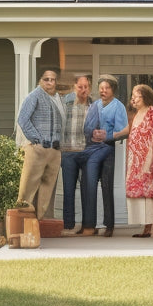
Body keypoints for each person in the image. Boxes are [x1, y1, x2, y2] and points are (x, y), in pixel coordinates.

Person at [80, 75, 129, 237]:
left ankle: (109, 225)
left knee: (107, 187)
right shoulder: (94, 105)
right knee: (88, 187)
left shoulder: (118, 106)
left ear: (113, 90)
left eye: (107, 88)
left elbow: (123, 131)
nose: (103, 90)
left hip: (107, 149)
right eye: (101, 87)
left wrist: (106, 136)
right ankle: (89, 225)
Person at [16, 68, 66, 220]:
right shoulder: (34, 96)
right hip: (38, 149)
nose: (50, 82)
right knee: (27, 189)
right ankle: (21, 224)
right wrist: (36, 139)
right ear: (40, 80)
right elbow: (23, 119)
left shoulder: (58, 99)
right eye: (46, 79)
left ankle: (39, 225)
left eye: (53, 79)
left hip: (54, 150)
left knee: (47, 190)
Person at [126, 84, 153, 238]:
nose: (133, 99)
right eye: (133, 96)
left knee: (151, 193)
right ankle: (146, 227)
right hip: (135, 161)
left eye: (137, 96)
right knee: (141, 193)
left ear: (145, 97)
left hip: (148, 160)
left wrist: (151, 160)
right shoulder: (136, 114)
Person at [60, 74, 92, 234]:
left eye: (86, 86)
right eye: (80, 86)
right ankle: (68, 225)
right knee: (68, 190)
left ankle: (87, 225)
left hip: (87, 153)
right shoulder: (65, 102)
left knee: (87, 189)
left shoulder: (93, 105)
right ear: (74, 87)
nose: (83, 89)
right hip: (68, 152)